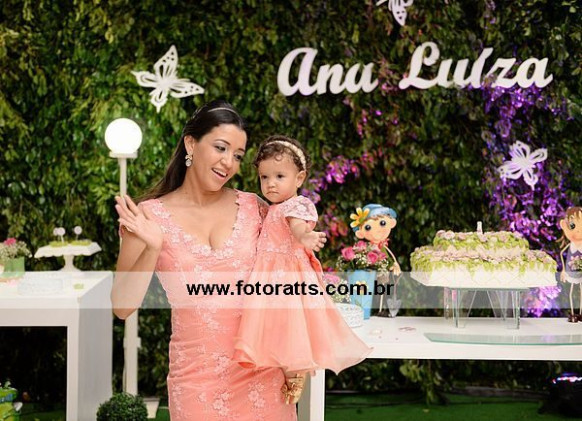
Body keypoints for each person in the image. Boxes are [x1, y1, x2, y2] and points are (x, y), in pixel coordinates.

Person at [111, 101, 322, 420]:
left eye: (237, 155)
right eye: (220, 148)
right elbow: (122, 306)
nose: (228, 162)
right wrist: (153, 247)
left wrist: (295, 356)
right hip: (196, 385)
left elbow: (288, 277)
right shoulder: (148, 217)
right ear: (191, 144)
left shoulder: (256, 208)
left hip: (263, 378)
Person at [232, 135, 372, 405]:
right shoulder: (272, 208)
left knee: (291, 326)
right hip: (267, 277)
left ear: (299, 178)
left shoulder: (296, 206)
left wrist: (305, 237)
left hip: (287, 276)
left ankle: (295, 374)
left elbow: (297, 226)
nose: (270, 183)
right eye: (264, 177)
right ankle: (287, 371)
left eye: (279, 176)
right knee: (272, 327)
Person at [559, 206, 582, 322]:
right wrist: (563, 270)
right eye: (572, 226)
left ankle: (580, 314)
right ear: (564, 225)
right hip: (571, 271)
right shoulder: (571, 245)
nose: (578, 231)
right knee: (571, 291)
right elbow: (561, 253)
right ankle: (573, 313)